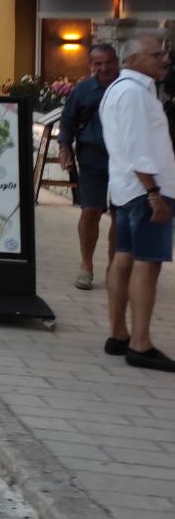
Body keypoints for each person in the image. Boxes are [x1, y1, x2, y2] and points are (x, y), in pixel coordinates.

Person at [101, 35, 175, 371]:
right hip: (144, 190)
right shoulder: (132, 93)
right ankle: (139, 343)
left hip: (128, 189)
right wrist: (154, 193)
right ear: (133, 59)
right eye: (156, 54)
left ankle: (120, 334)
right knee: (148, 263)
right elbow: (137, 146)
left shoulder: (127, 90)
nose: (165, 59)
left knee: (124, 258)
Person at [57, 43, 120, 291]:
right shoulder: (83, 90)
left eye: (108, 62)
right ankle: (86, 265)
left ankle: (115, 267)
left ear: (116, 61)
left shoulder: (127, 87)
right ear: (91, 65)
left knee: (120, 214)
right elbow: (68, 121)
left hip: (123, 160)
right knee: (90, 211)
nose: (104, 68)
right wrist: (64, 149)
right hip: (92, 156)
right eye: (98, 63)